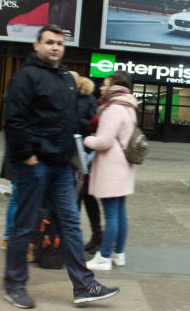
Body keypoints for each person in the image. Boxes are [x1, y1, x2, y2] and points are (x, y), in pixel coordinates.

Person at [3, 24, 119, 308]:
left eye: (59, 43)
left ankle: (84, 285)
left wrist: (73, 157)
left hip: (62, 169)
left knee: (70, 226)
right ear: (37, 45)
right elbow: (14, 122)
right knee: (24, 227)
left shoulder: (67, 79)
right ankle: (14, 285)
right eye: (50, 42)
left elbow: (70, 123)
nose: (55, 47)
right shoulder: (25, 77)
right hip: (34, 166)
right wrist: (29, 157)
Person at [84, 71, 138, 271]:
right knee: (120, 211)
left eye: (105, 84)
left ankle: (104, 257)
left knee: (111, 214)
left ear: (114, 86)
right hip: (124, 165)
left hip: (111, 166)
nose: (101, 87)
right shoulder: (129, 106)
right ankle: (119, 254)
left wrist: (86, 140)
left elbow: (104, 141)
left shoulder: (114, 108)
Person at [69, 72, 102, 254]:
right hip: (69, 150)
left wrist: (75, 121)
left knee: (84, 195)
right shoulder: (66, 96)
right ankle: (77, 239)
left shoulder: (88, 99)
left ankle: (95, 236)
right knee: (78, 196)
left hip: (84, 152)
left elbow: (92, 124)